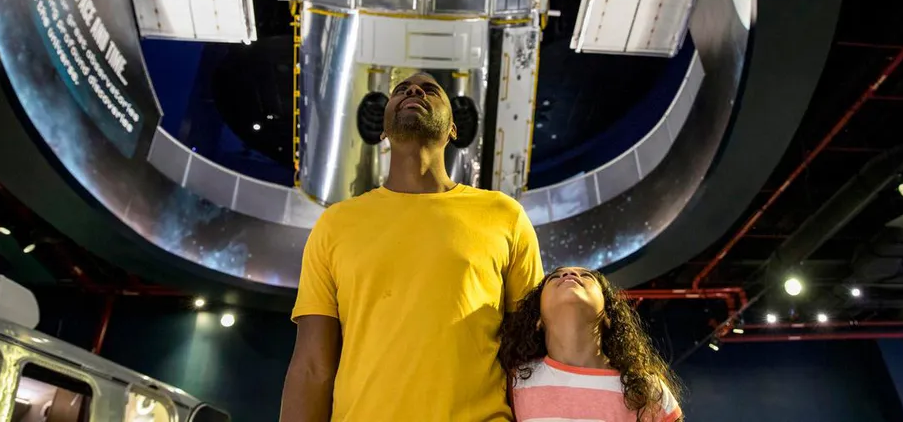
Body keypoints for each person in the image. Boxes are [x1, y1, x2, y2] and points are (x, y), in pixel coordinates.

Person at [280, 73, 544, 422]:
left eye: (430, 90)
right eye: (401, 91)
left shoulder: (505, 216)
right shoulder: (336, 224)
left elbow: (529, 351)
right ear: (383, 129)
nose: (414, 90)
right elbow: (312, 366)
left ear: (452, 128)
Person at [499, 267, 683, 422]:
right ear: (537, 319)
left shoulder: (647, 389)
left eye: (586, 276)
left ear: (608, 316)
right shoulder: (515, 380)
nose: (569, 274)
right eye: (555, 277)